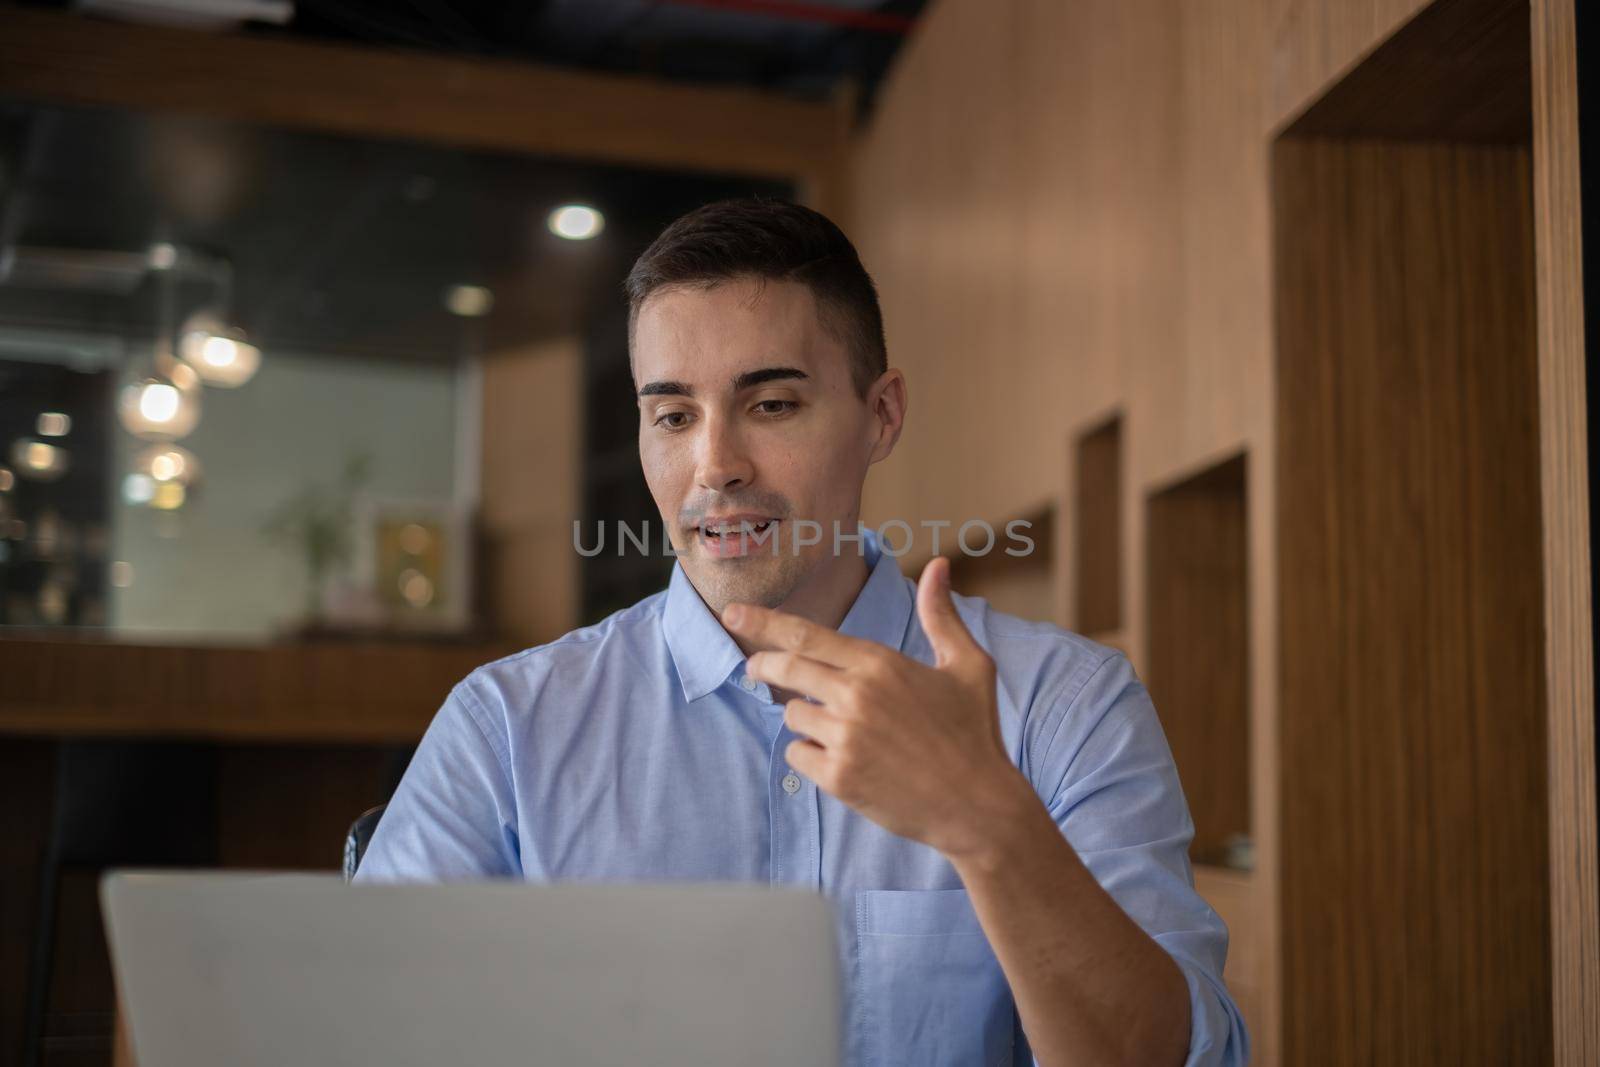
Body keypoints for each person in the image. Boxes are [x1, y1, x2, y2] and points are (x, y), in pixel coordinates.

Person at [356, 198, 1249, 1067]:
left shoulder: (1066, 705)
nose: (715, 466)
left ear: (881, 415)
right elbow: (367, 1028)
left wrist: (988, 825)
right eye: (673, 415)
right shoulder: (507, 727)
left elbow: (1174, 1058)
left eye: (772, 404)